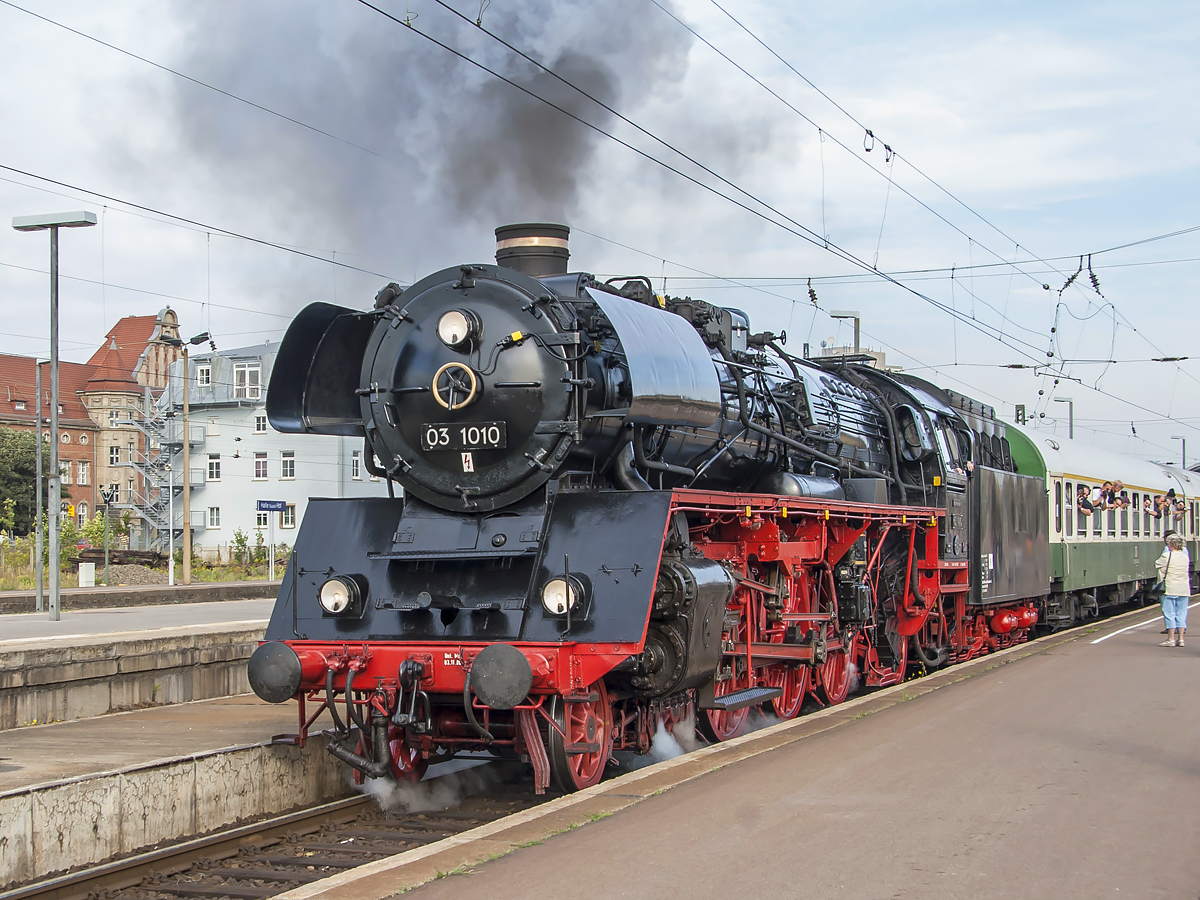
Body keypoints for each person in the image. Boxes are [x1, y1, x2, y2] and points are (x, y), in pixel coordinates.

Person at [1156, 531, 1191, 647]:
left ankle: (1170, 639)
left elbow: (1157, 564)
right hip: (1184, 588)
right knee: (1181, 613)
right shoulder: (1185, 556)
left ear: (1172, 545)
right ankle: (1181, 639)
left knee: (1169, 613)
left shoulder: (1167, 555)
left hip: (1170, 588)